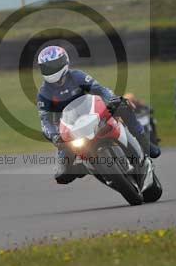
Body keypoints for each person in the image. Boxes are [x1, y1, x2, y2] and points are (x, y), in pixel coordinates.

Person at [36, 46, 161, 185]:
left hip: (90, 113)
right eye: (45, 67)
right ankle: (86, 167)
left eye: (52, 65)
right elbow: (45, 120)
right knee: (62, 176)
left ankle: (144, 141)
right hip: (68, 128)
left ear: (63, 61)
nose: (50, 70)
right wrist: (54, 135)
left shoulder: (77, 76)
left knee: (123, 106)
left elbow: (100, 90)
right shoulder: (44, 93)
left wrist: (112, 99)